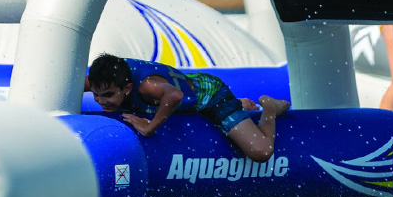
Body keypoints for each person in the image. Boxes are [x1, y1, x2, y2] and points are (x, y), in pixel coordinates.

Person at [87, 53, 290, 162]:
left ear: (128, 88)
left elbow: (175, 96)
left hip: (209, 96)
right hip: (187, 88)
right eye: (95, 94)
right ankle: (240, 104)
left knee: (260, 152)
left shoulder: (147, 87)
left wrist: (150, 127)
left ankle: (270, 109)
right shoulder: (104, 80)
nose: (100, 100)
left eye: (108, 96)